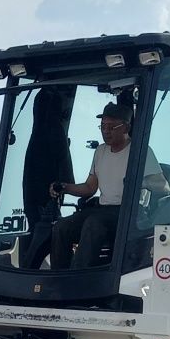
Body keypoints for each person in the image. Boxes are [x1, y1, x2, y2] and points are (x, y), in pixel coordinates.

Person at [49, 101, 133, 269]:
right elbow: (90, 187)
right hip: (103, 209)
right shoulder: (100, 151)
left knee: (93, 223)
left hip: (126, 213)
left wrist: (143, 183)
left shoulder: (138, 151)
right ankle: (58, 281)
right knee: (61, 228)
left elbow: (161, 186)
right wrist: (64, 187)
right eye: (103, 126)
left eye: (111, 127)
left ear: (125, 127)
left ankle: (76, 281)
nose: (106, 131)